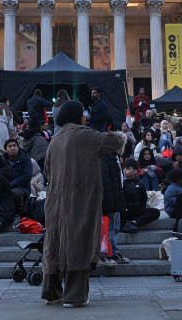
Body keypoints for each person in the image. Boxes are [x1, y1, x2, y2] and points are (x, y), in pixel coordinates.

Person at [41, 100, 125, 308]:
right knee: (78, 241)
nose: (86, 116)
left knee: (55, 243)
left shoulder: (55, 139)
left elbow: (46, 172)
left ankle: (51, 292)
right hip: (80, 198)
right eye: (84, 113)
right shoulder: (85, 135)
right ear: (77, 115)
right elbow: (115, 143)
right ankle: (75, 296)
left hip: (55, 201)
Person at [100, 148, 128, 266]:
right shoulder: (106, 159)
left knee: (114, 228)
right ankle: (107, 253)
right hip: (110, 199)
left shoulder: (114, 159)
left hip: (115, 198)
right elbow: (106, 182)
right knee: (109, 228)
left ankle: (113, 252)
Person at [120, 159, 161, 233]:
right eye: (124, 169)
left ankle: (134, 223)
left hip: (137, 210)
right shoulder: (122, 183)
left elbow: (143, 198)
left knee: (156, 212)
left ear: (135, 171)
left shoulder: (139, 183)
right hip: (126, 211)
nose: (125, 171)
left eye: (128, 169)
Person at [4, 138, 32, 215]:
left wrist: (9, 185)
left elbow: (26, 176)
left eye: (14, 145)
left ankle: (22, 214)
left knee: (14, 194)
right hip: (6, 186)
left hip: (22, 187)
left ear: (18, 148)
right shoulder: (3, 160)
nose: (13, 148)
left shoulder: (25, 159)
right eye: (10, 146)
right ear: (6, 150)